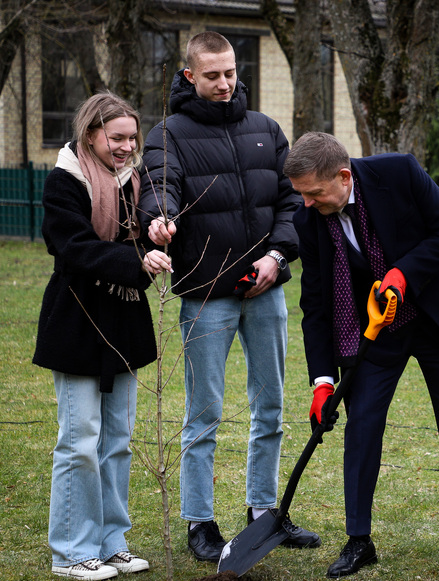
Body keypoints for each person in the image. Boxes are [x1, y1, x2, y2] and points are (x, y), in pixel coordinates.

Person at [285, 131, 439, 577]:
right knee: (361, 425)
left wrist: (404, 273)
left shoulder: (398, 172)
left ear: (344, 177)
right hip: (375, 327)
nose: (306, 203)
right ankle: (358, 540)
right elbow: (316, 304)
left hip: (435, 314)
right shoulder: (308, 219)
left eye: (314, 193)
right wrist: (323, 382)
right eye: (301, 194)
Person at [138, 31, 319, 562]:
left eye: (231, 73)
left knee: (271, 408)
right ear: (190, 75)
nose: (224, 83)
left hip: (265, 291)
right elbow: (158, 187)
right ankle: (200, 522)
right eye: (212, 75)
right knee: (205, 413)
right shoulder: (168, 133)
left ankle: (264, 514)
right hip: (204, 295)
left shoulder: (267, 130)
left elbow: (293, 204)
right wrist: (159, 221)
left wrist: (278, 256)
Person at [33, 92, 172, 579]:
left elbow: (141, 229)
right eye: (117, 137)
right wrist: (137, 261)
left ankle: (112, 543)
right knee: (79, 441)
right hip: (76, 323)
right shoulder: (63, 182)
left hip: (125, 324)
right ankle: (72, 551)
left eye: (133, 137)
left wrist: (156, 234)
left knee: (117, 440)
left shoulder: (136, 183)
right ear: (90, 132)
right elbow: (73, 246)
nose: (127, 146)